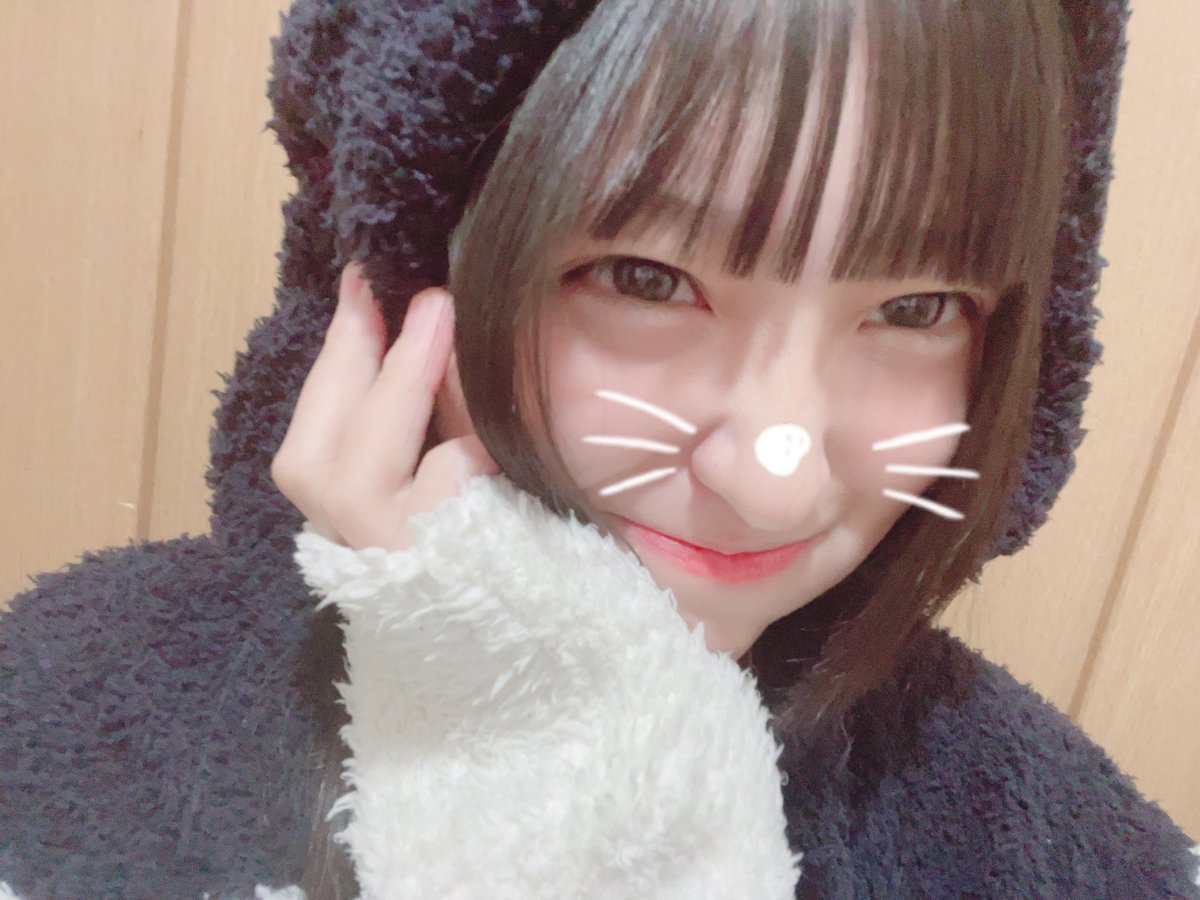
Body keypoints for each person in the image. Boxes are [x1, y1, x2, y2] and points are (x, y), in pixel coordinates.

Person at [1, 0, 1196, 898]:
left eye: (916, 308)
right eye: (645, 279)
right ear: (406, 261)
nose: (773, 483)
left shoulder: (1064, 851)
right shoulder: (63, 728)